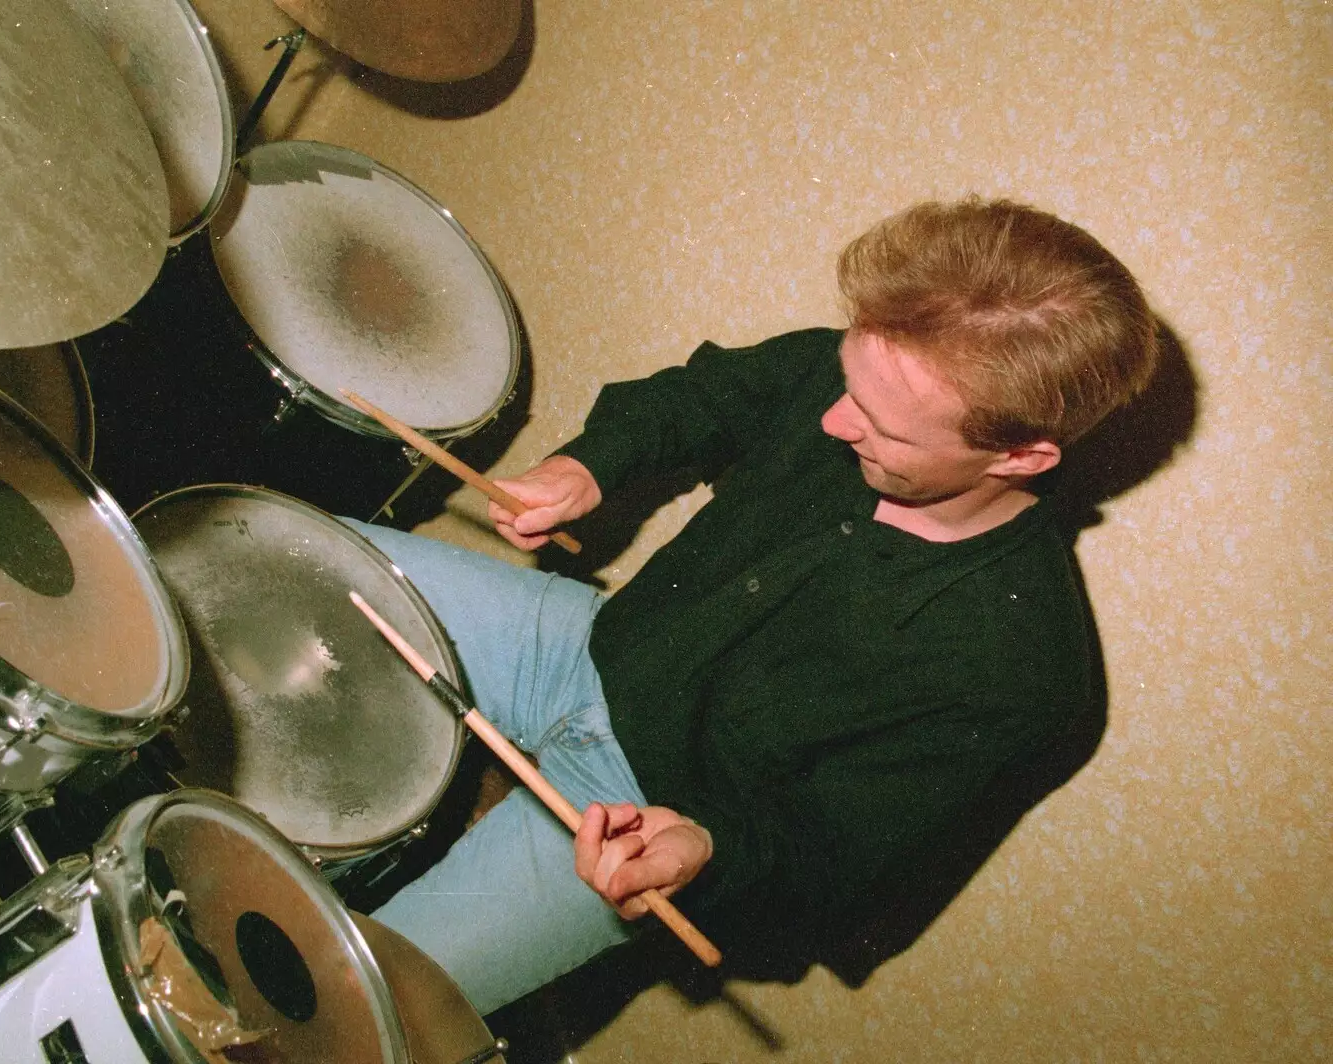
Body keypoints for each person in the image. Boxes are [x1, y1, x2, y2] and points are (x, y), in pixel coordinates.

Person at [346, 196, 1160, 1015]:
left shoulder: (1019, 674)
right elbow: (701, 399)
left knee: (360, 998)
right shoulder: (845, 378)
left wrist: (707, 848)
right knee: (277, 555)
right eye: (848, 379)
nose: (836, 419)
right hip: (588, 643)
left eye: (884, 427)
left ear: (1020, 455)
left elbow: (831, 868)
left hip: (648, 809)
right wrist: (588, 468)